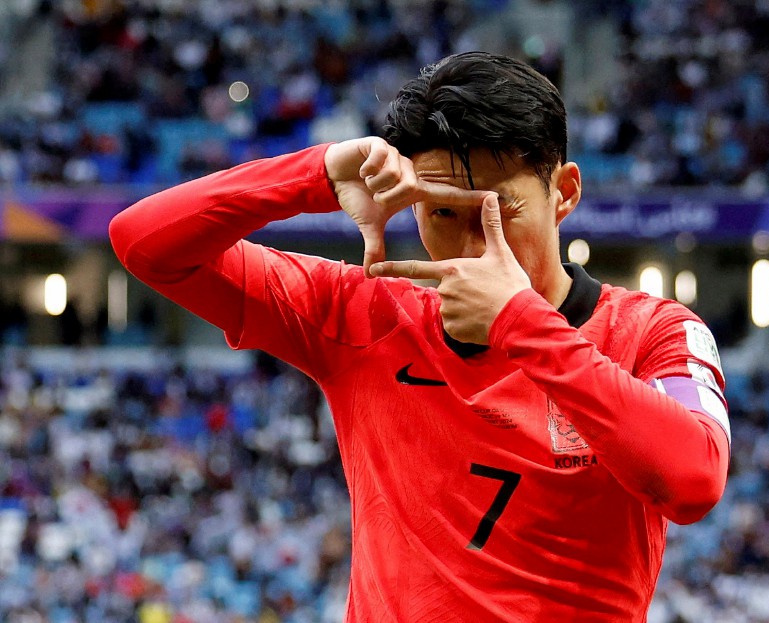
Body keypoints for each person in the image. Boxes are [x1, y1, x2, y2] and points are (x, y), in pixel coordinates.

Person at [110, 51, 730, 622]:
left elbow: (694, 480)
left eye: (497, 210)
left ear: (563, 191)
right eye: (440, 214)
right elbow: (143, 242)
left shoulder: (654, 332)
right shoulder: (365, 315)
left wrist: (518, 322)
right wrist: (315, 174)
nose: (470, 247)